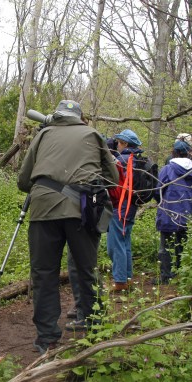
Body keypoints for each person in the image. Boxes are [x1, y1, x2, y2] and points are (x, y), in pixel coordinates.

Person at [17, 100, 118, 353]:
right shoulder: (93, 135)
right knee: (87, 269)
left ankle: (47, 337)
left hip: (43, 210)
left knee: (43, 273)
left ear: (57, 116)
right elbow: (113, 179)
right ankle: (95, 327)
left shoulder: (43, 134)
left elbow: (23, 180)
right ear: (80, 118)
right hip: (82, 212)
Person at [107, 129, 150, 292]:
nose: (116, 144)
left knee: (115, 244)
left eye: (118, 142)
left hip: (120, 207)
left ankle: (119, 282)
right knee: (125, 243)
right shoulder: (136, 159)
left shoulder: (122, 160)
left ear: (124, 144)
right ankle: (127, 278)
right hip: (131, 207)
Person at [153, 140, 192, 285]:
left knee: (165, 245)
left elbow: (158, 189)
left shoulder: (167, 169)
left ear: (175, 152)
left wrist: (160, 202)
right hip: (187, 211)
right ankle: (180, 272)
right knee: (181, 243)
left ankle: (166, 276)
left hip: (169, 211)